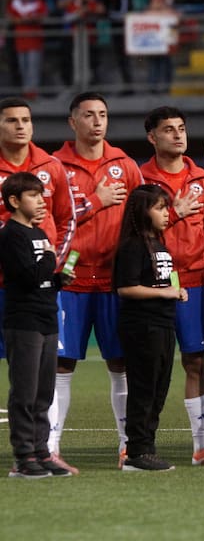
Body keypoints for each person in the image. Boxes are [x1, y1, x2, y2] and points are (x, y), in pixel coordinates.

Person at [51, 92, 144, 469]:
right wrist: (96, 200)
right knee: (60, 365)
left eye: (102, 114)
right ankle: (50, 446)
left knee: (120, 362)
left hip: (114, 280)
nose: (97, 121)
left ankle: (127, 445)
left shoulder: (124, 165)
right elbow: (48, 218)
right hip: (68, 281)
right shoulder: (55, 166)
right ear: (73, 122)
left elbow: (143, 215)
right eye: (88, 115)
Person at [140, 106, 204, 466]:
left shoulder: (203, 180)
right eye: (168, 130)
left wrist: (196, 260)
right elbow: (131, 232)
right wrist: (173, 213)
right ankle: (133, 444)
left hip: (191, 282)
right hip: (152, 283)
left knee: (195, 361)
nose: (177, 135)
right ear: (152, 137)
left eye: (181, 128)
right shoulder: (141, 179)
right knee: (145, 364)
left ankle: (202, 447)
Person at [1, 172, 74, 478]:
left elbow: (42, 278)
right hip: (24, 320)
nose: (41, 200)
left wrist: (58, 278)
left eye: (41, 195)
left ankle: (41, 451)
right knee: (25, 391)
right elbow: (27, 276)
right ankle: (23, 456)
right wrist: (48, 260)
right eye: (33, 196)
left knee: (44, 391)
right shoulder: (10, 235)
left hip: (46, 316)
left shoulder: (38, 232)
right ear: (14, 201)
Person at [114, 184, 187, 472]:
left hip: (163, 324)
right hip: (142, 326)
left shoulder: (159, 243)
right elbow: (126, 288)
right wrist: (165, 293)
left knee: (159, 389)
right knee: (144, 390)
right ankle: (136, 452)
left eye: (166, 207)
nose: (167, 213)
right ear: (142, 212)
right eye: (159, 208)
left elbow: (171, 277)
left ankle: (147, 448)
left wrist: (178, 291)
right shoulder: (132, 246)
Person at [7, 0, 47, 99]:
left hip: (35, 43)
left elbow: (42, 17)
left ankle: (34, 95)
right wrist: (25, 19)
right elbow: (11, 18)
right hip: (20, 42)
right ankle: (26, 94)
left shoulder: (39, 3)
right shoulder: (15, 3)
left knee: (33, 69)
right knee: (23, 69)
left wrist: (26, 19)